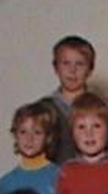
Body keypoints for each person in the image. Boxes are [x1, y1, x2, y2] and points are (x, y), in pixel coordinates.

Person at [45, 35, 96, 163]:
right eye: (66, 63)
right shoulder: (43, 109)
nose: (72, 70)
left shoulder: (101, 107)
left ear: (90, 70)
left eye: (79, 64)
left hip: (93, 177)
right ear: (56, 68)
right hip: (54, 179)